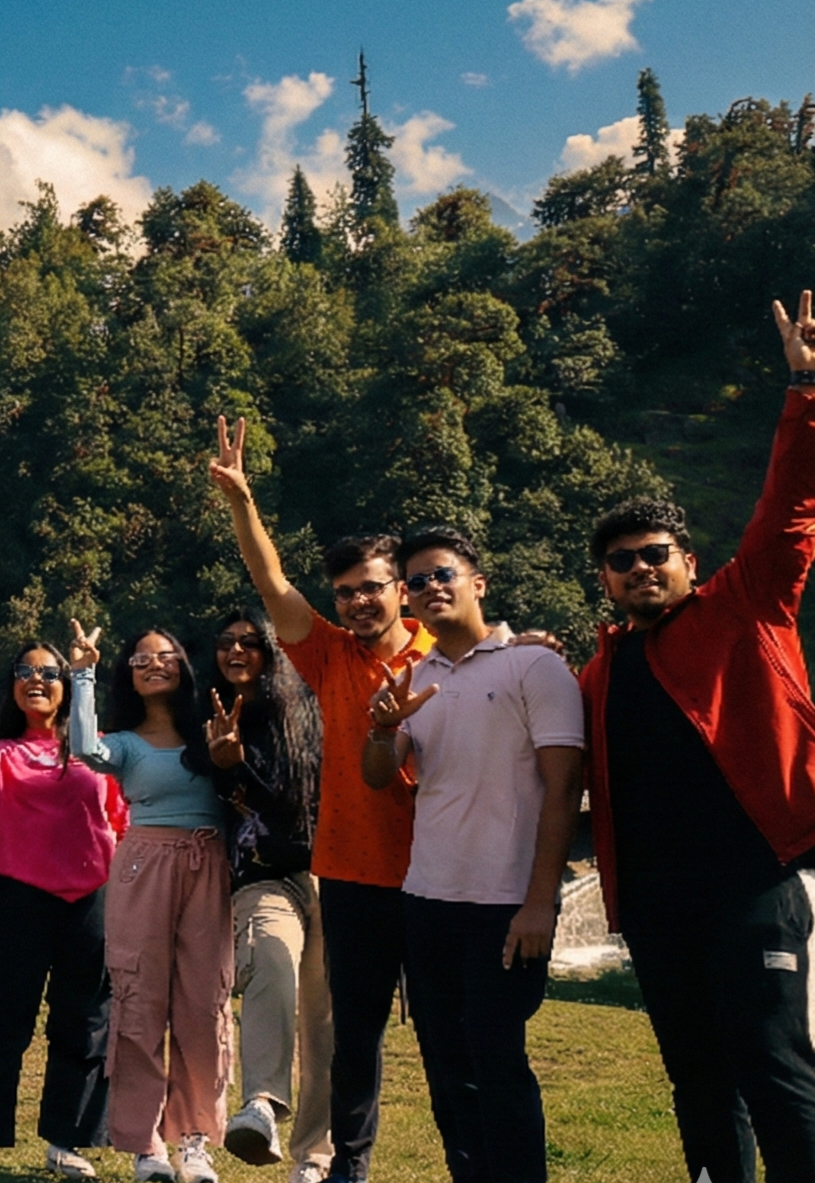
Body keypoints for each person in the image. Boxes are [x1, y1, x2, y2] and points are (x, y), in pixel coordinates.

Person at [580, 295, 815, 1183]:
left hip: (752, 881)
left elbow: (790, 505)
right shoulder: (598, 671)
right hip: (654, 904)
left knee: (773, 1064)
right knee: (694, 1079)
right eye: (622, 561)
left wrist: (804, 389)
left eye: (656, 554)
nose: (640, 568)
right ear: (604, 581)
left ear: (688, 559)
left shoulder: (745, 605)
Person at [212, 418, 426, 1183]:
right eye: (345, 592)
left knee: (446, 1033)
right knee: (348, 1032)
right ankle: (340, 1166)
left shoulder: (444, 655)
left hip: (438, 875)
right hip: (350, 874)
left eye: (371, 587)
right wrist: (242, 503)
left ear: (400, 589)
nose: (358, 601)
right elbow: (272, 586)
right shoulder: (330, 654)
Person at [362, 528, 583, 1183]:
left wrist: (539, 902)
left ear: (477, 583)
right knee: (446, 1070)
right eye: (417, 581)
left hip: (504, 904)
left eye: (443, 574)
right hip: (427, 899)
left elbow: (563, 789)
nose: (430, 587)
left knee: (496, 1062)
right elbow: (378, 775)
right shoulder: (416, 676)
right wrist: (381, 728)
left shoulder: (532, 666)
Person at [0, 640, 115, 1180]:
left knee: (84, 1018)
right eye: (25, 671)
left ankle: (68, 1139)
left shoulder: (97, 748)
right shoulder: (1, 752)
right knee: (0, 1014)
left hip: (91, 894)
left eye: (49, 672)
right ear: (12, 686)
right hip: (20, 894)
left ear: (67, 686)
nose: (36, 679)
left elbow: (122, 819)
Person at [69, 622, 232, 1183]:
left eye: (165, 656)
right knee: (139, 1002)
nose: (154, 664)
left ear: (183, 665)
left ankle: (195, 1141)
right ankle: (146, 1144)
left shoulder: (210, 730)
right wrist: (82, 674)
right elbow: (84, 748)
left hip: (208, 864)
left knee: (203, 1006)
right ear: (128, 677)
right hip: (144, 865)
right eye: (140, 660)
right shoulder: (126, 742)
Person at [206, 610, 331, 1180]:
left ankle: (316, 1156)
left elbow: (291, 805)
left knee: (325, 1020)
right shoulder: (207, 717)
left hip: (329, 873)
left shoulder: (308, 712)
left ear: (272, 652)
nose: (237, 651)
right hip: (261, 879)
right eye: (226, 642)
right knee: (269, 961)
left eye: (250, 642)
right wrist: (222, 761)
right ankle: (260, 1103)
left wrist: (240, 767)